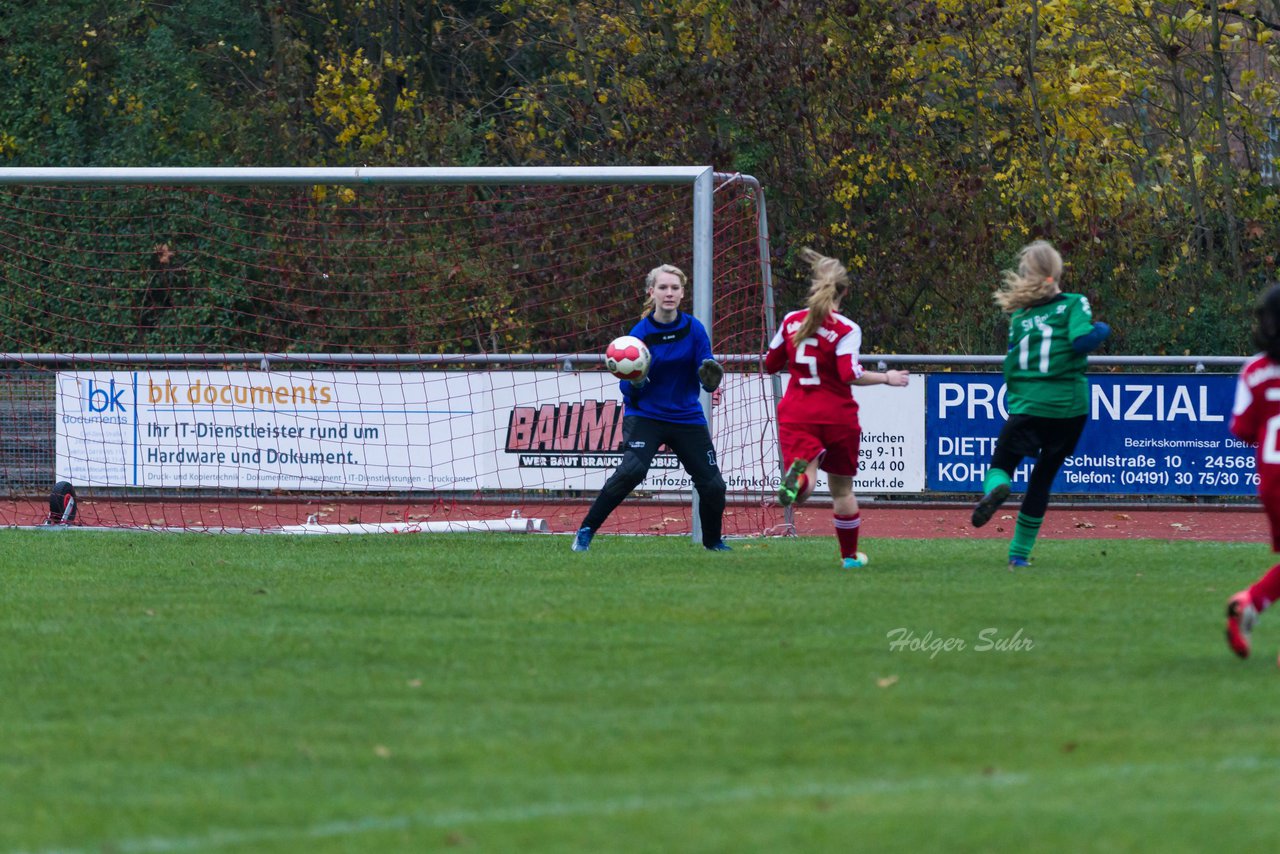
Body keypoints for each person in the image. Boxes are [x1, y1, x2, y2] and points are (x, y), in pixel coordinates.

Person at [763, 247, 910, 569]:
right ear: (844, 291)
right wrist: (887, 377)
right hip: (837, 415)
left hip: (797, 411)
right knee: (842, 490)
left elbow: (770, 364)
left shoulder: (791, 321)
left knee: (807, 480)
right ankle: (849, 559)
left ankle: (797, 481)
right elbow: (849, 373)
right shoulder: (846, 328)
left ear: (814, 286)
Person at [970, 239, 1111, 568]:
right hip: (1069, 409)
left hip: (1029, 404)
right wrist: (1102, 329)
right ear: (1058, 270)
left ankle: (999, 489)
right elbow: (1082, 341)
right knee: (1043, 476)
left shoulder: (1021, 316)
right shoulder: (1075, 303)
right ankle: (1018, 556)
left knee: (1001, 467)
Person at [572, 263, 728, 551]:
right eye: (663, 287)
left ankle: (713, 543)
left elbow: (706, 375)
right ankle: (586, 531)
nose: (669, 293)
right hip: (646, 415)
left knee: (714, 485)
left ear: (682, 293)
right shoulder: (638, 335)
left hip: (686, 416)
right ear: (651, 292)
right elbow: (627, 391)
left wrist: (710, 380)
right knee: (632, 471)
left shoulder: (694, 329)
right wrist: (638, 382)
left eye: (674, 288)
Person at [1224, 284, 1280, 660]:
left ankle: (1250, 603)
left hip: (1273, 481)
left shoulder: (1256, 370)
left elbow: (1242, 430)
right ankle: (1251, 602)